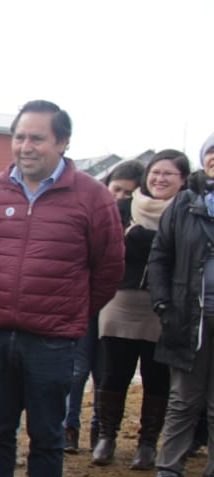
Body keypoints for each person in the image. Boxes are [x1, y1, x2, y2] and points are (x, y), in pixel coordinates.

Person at [0, 100, 124, 477]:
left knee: (46, 437)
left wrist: (70, 314)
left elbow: (109, 267)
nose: (25, 147)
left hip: (52, 340)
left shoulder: (92, 196)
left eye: (37, 138)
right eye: (19, 137)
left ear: (62, 142)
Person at [92, 151, 190, 469]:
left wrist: (140, 238)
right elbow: (111, 247)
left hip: (163, 306)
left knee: (156, 376)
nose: (160, 179)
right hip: (120, 302)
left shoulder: (188, 212)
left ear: (183, 180)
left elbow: (176, 252)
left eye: (169, 174)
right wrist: (151, 242)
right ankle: (106, 437)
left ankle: (147, 444)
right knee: (113, 373)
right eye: (155, 172)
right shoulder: (122, 206)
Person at [144, 132, 214, 477]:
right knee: (183, 401)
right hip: (189, 318)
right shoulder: (184, 205)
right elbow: (160, 257)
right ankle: (167, 473)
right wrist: (163, 304)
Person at [65, 159, 147, 453]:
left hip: (117, 304)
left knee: (105, 370)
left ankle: (100, 429)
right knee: (77, 368)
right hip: (84, 300)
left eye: (129, 194)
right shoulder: (90, 212)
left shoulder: (142, 222)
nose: (121, 198)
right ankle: (68, 427)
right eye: (117, 190)